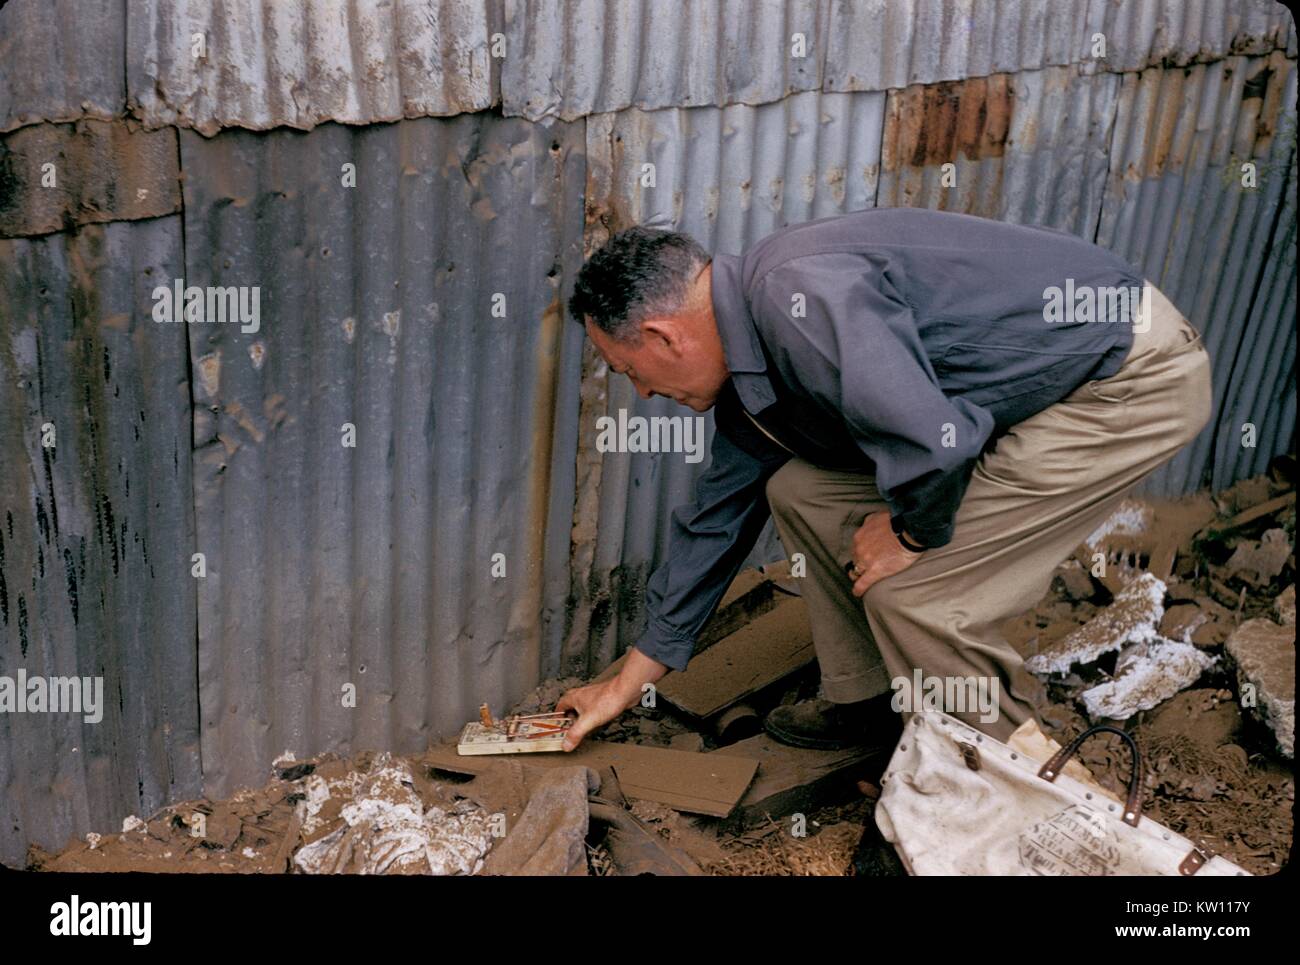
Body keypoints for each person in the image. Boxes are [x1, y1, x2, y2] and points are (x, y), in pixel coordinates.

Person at [556, 208, 1212, 755]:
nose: (642, 391)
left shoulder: (795, 301)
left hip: (1124, 379)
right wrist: (623, 684)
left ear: (660, 335)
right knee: (800, 492)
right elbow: (715, 522)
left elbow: (938, 440)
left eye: (628, 371)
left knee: (917, 592)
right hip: (1033, 392)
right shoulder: (751, 358)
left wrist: (907, 532)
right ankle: (868, 698)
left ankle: (993, 788)